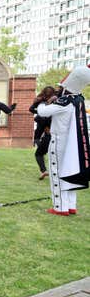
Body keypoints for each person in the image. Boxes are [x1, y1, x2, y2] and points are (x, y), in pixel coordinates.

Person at [36, 65, 90, 216]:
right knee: (70, 172)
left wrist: (44, 101)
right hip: (72, 143)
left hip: (59, 140)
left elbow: (43, 112)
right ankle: (70, 205)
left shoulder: (65, 101)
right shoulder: (79, 99)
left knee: (57, 173)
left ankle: (59, 207)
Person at [29, 86, 56, 179]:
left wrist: (40, 111)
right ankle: (44, 150)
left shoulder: (40, 100)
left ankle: (44, 169)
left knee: (38, 147)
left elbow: (31, 109)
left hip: (44, 125)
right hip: (50, 127)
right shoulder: (56, 100)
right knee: (39, 143)